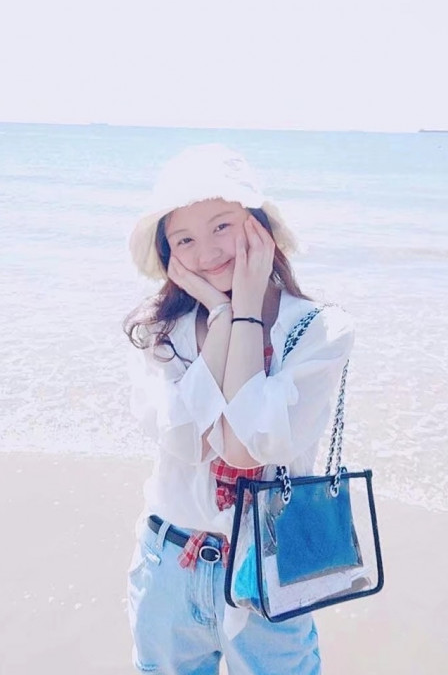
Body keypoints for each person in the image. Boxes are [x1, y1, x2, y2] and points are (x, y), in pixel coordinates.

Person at [123, 143, 354, 674]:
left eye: (221, 226)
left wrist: (247, 311)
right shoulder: (159, 333)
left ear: (258, 227)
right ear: (169, 253)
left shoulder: (318, 330)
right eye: (185, 239)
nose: (206, 252)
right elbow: (186, 440)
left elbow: (250, 446)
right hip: (169, 566)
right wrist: (222, 318)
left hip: (271, 567)